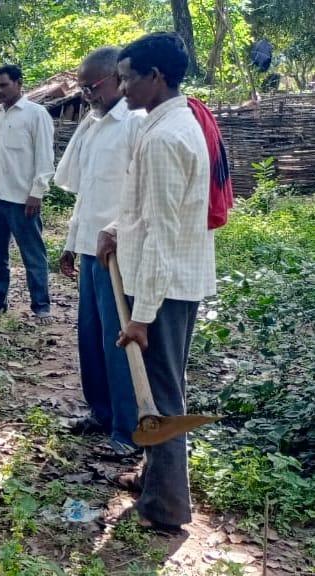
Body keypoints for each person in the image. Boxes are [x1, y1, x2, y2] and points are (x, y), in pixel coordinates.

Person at [96, 32, 215, 531]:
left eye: (127, 79)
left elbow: (166, 232)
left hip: (163, 290)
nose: (121, 89)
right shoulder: (161, 124)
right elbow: (146, 209)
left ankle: (166, 509)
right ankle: (154, 480)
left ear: (156, 78)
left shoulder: (168, 137)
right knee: (159, 391)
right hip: (159, 281)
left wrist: (142, 316)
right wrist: (116, 230)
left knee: (161, 398)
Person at [54, 48, 145, 458]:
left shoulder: (136, 123)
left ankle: (128, 430)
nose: (85, 93)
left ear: (116, 78)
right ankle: (101, 412)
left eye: (92, 85)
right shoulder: (92, 125)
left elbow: (141, 196)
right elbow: (85, 194)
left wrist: (118, 236)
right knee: (89, 336)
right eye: (82, 86)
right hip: (91, 247)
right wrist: (71, 243)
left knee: (118, 337)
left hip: (120, 251)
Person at [0, 64, 56, 323]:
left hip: (22, 198)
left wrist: (37, 192)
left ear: (19, 83)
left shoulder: (35, 114)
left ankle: (41, 306)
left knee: (32, 254)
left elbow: (45, 155)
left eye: (4, 85)